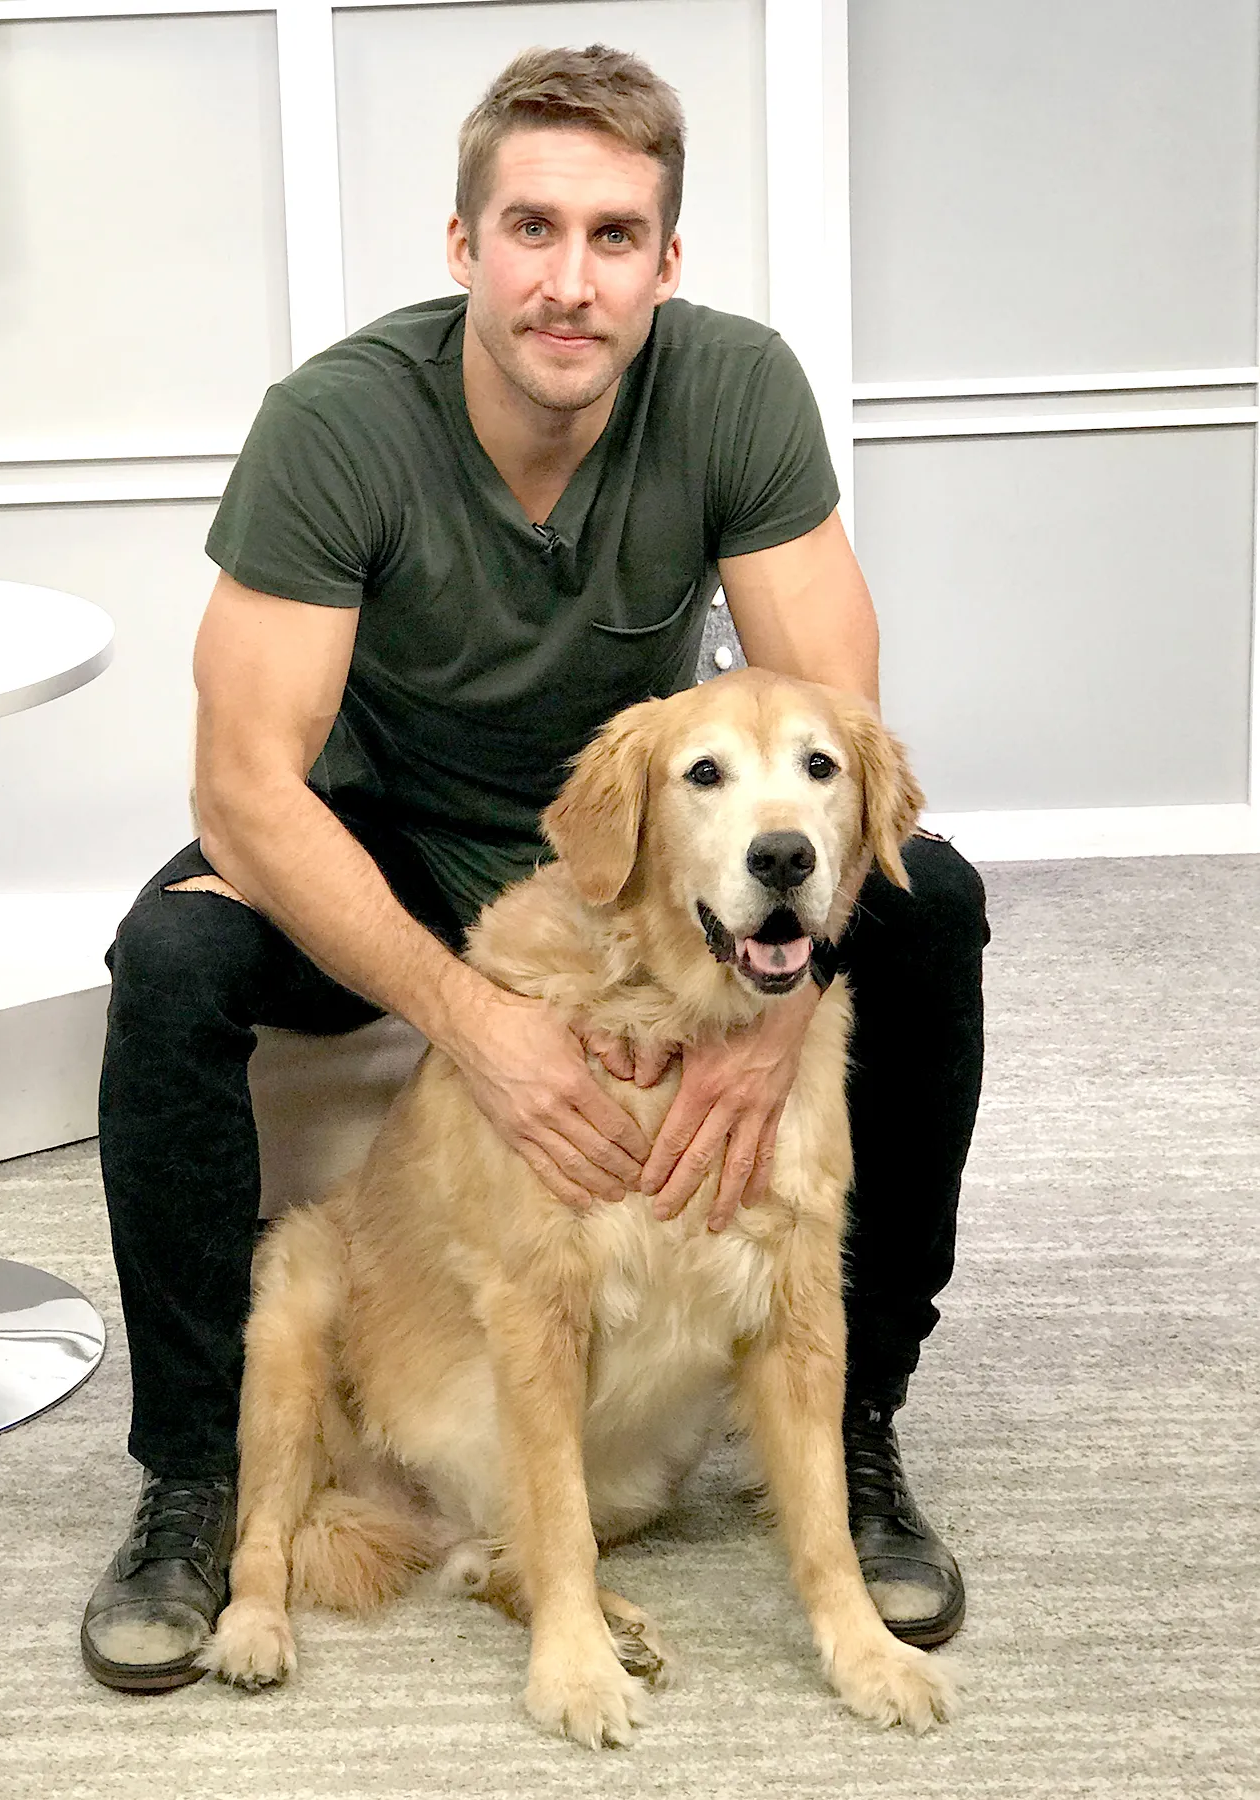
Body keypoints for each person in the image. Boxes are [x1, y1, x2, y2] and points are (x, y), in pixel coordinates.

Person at [79, 44, 989, 1694]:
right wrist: (475, 1020)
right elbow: (240, 790)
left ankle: (853, 1431)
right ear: (460, 245)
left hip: (644, 856)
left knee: (942, 921)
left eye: (615, 238)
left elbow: (848, 748)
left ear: (665, 262)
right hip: (391, 845)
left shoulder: (732, 391)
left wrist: (782, 1002)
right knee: (174, 965)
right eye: (532, 230)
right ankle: (195, 1481)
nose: (570, 283)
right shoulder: (338, 425)